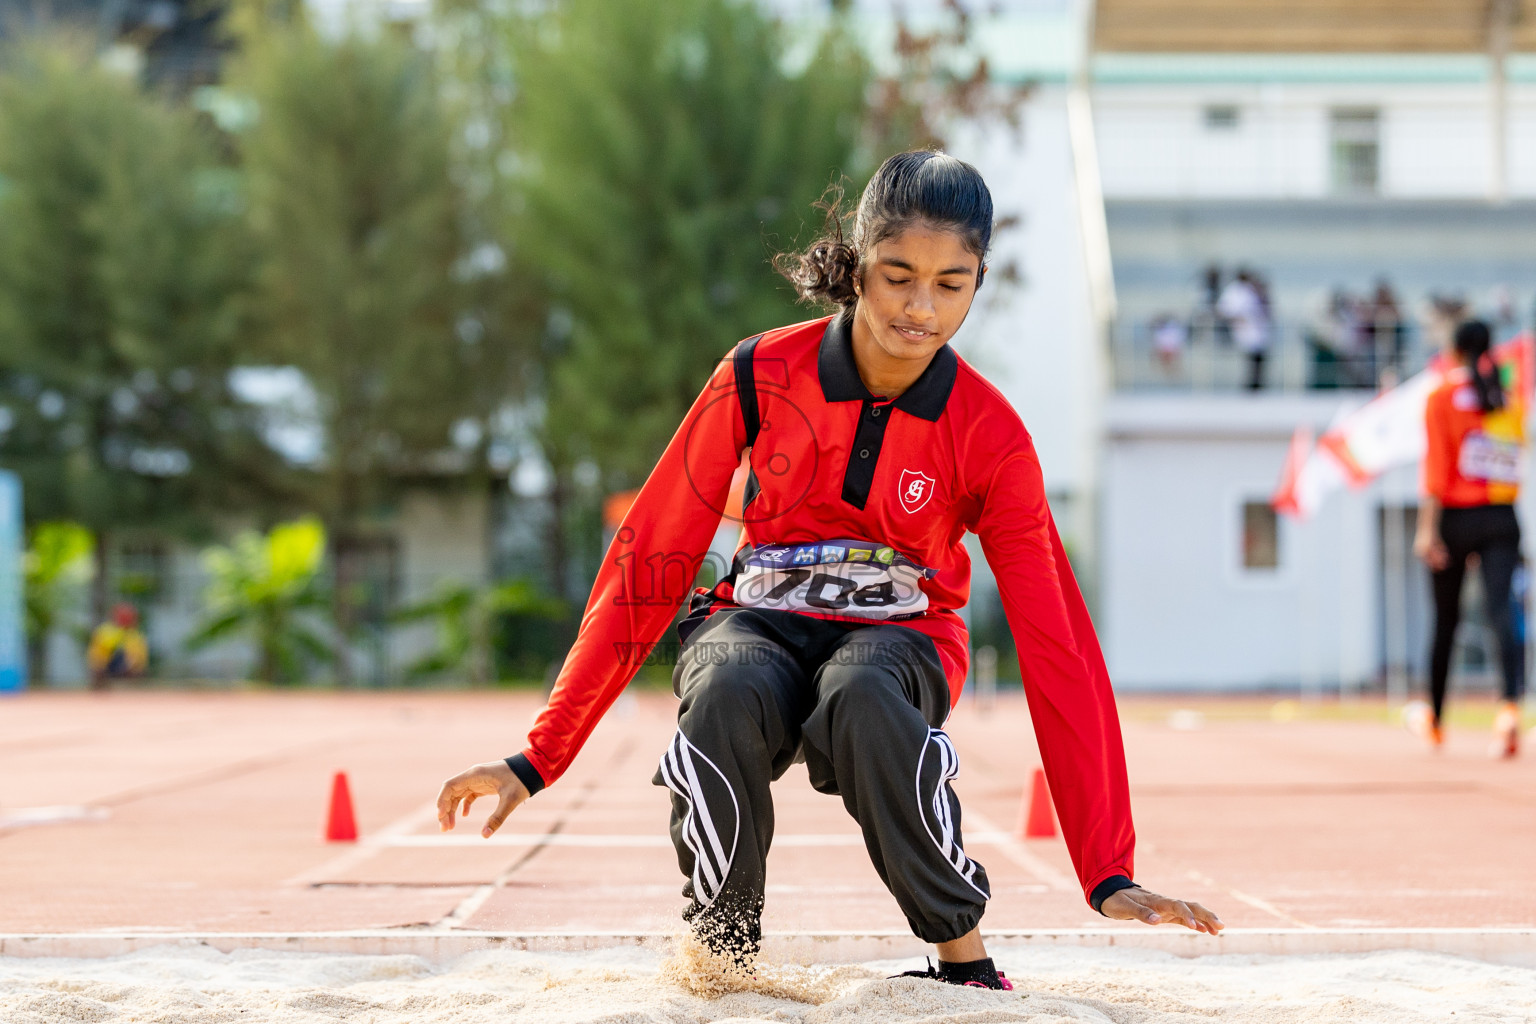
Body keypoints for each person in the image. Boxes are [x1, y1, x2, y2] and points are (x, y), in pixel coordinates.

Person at [434, 151, 1223, 988]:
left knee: (865, 695)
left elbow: (1055, 641)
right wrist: (539, 756)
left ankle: (962, 961)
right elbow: (651, 558)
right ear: (858, 264)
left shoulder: (990, 434)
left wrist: (1108, 868)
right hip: (756, 620)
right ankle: (722, 959)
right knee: (728, 688)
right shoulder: (756, 375)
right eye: (897, 276)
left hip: (902, 639)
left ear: (978, 281)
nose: (920, 308)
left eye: (951, 284)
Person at [1413, 319, 1526, 758]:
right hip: (1501, 515)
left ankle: (1437, 720)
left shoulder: (1441, 397)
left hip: (1455, 518)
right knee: (1503, 611)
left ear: (1455, 351)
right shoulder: (1506, 398)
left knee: (1446, 620)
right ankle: (1509, 708)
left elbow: (1435, 471)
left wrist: (1426, 530)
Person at [1217, 268, 1271, 391]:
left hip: (1256, 329)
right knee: (1250, 358)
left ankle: (1256, 385)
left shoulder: (1251, 290)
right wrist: (1237, 318)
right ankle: (1249, 385)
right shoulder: (1234, 290)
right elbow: (1225, 310)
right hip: (1244, 330)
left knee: (1258, 358)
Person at [86, 602, 148, 691]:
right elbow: (96, 655)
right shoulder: (105, 631)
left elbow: (139, 658)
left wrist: (133, 666)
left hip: (127, 668)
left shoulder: (136, 635)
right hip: (107, 667)